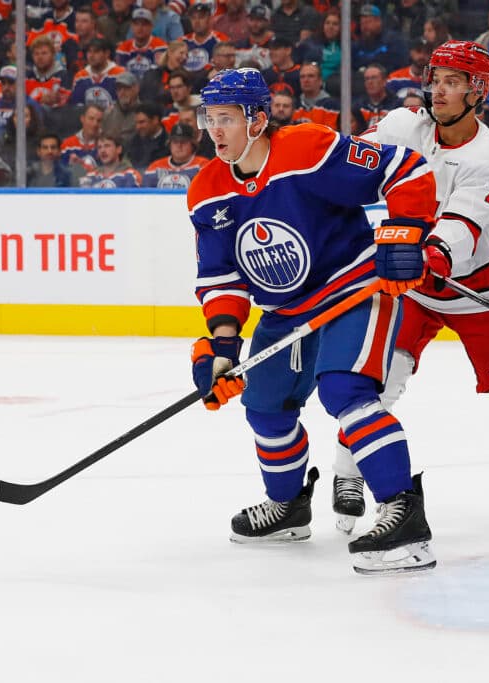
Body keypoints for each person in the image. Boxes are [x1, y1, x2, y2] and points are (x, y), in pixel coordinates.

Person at [187, 67, 439, 573]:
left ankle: (404, 516)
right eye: (208, 118)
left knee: (345, 392)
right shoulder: (207, 190)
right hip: (285, 312)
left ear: (257, 121)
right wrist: (221, 347)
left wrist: (404, 234)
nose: (215, 130)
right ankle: (288, 508)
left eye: (226, 119)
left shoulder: (309, 149)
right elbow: (222, 278)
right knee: (264, 404)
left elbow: (408, 170)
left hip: (354, 290)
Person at [331, 41, 489, 532]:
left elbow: (460, 228)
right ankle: (347, 474)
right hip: (410, 289)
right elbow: (347, 163)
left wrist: (429, 253)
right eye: (436, 79)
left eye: (452, 82)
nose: (438, 90)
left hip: (482, 292)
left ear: (477, 91)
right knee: (375, 384)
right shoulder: (404, 126)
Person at [142, 122, 206, 187]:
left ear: (193, 145)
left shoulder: (203, 165)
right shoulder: (155, 167)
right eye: (175, 142)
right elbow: (144, 194)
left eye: (184, 142)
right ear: (169, 144)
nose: (179, 145)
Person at [76, 132, 141, 186]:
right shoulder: (91, 176)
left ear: (119, 149)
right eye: (99, 147)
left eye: (107, 146)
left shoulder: (131, 175)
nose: (102, 151)